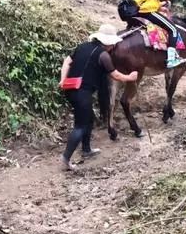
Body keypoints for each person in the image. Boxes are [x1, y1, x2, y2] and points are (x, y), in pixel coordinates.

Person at [59, 24, 139, 170]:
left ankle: (86, 149)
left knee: (88, 119)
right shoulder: (103, 55)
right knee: (81, 125)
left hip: (71, 89)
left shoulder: (82, 47)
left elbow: (67, 61)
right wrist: (130, 77)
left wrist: (63, 79)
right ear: (108, 42)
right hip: (82, 92)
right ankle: (66, 159)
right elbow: (115, 75)